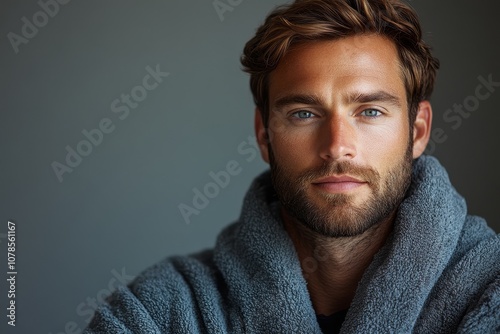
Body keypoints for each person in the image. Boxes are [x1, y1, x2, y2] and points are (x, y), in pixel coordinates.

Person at [84, 0, 500, 333]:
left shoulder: (489, 291)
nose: (338, 147)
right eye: (304, 114)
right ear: (264, 134)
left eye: (370, 111)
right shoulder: (159, 312)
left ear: (418, 130)